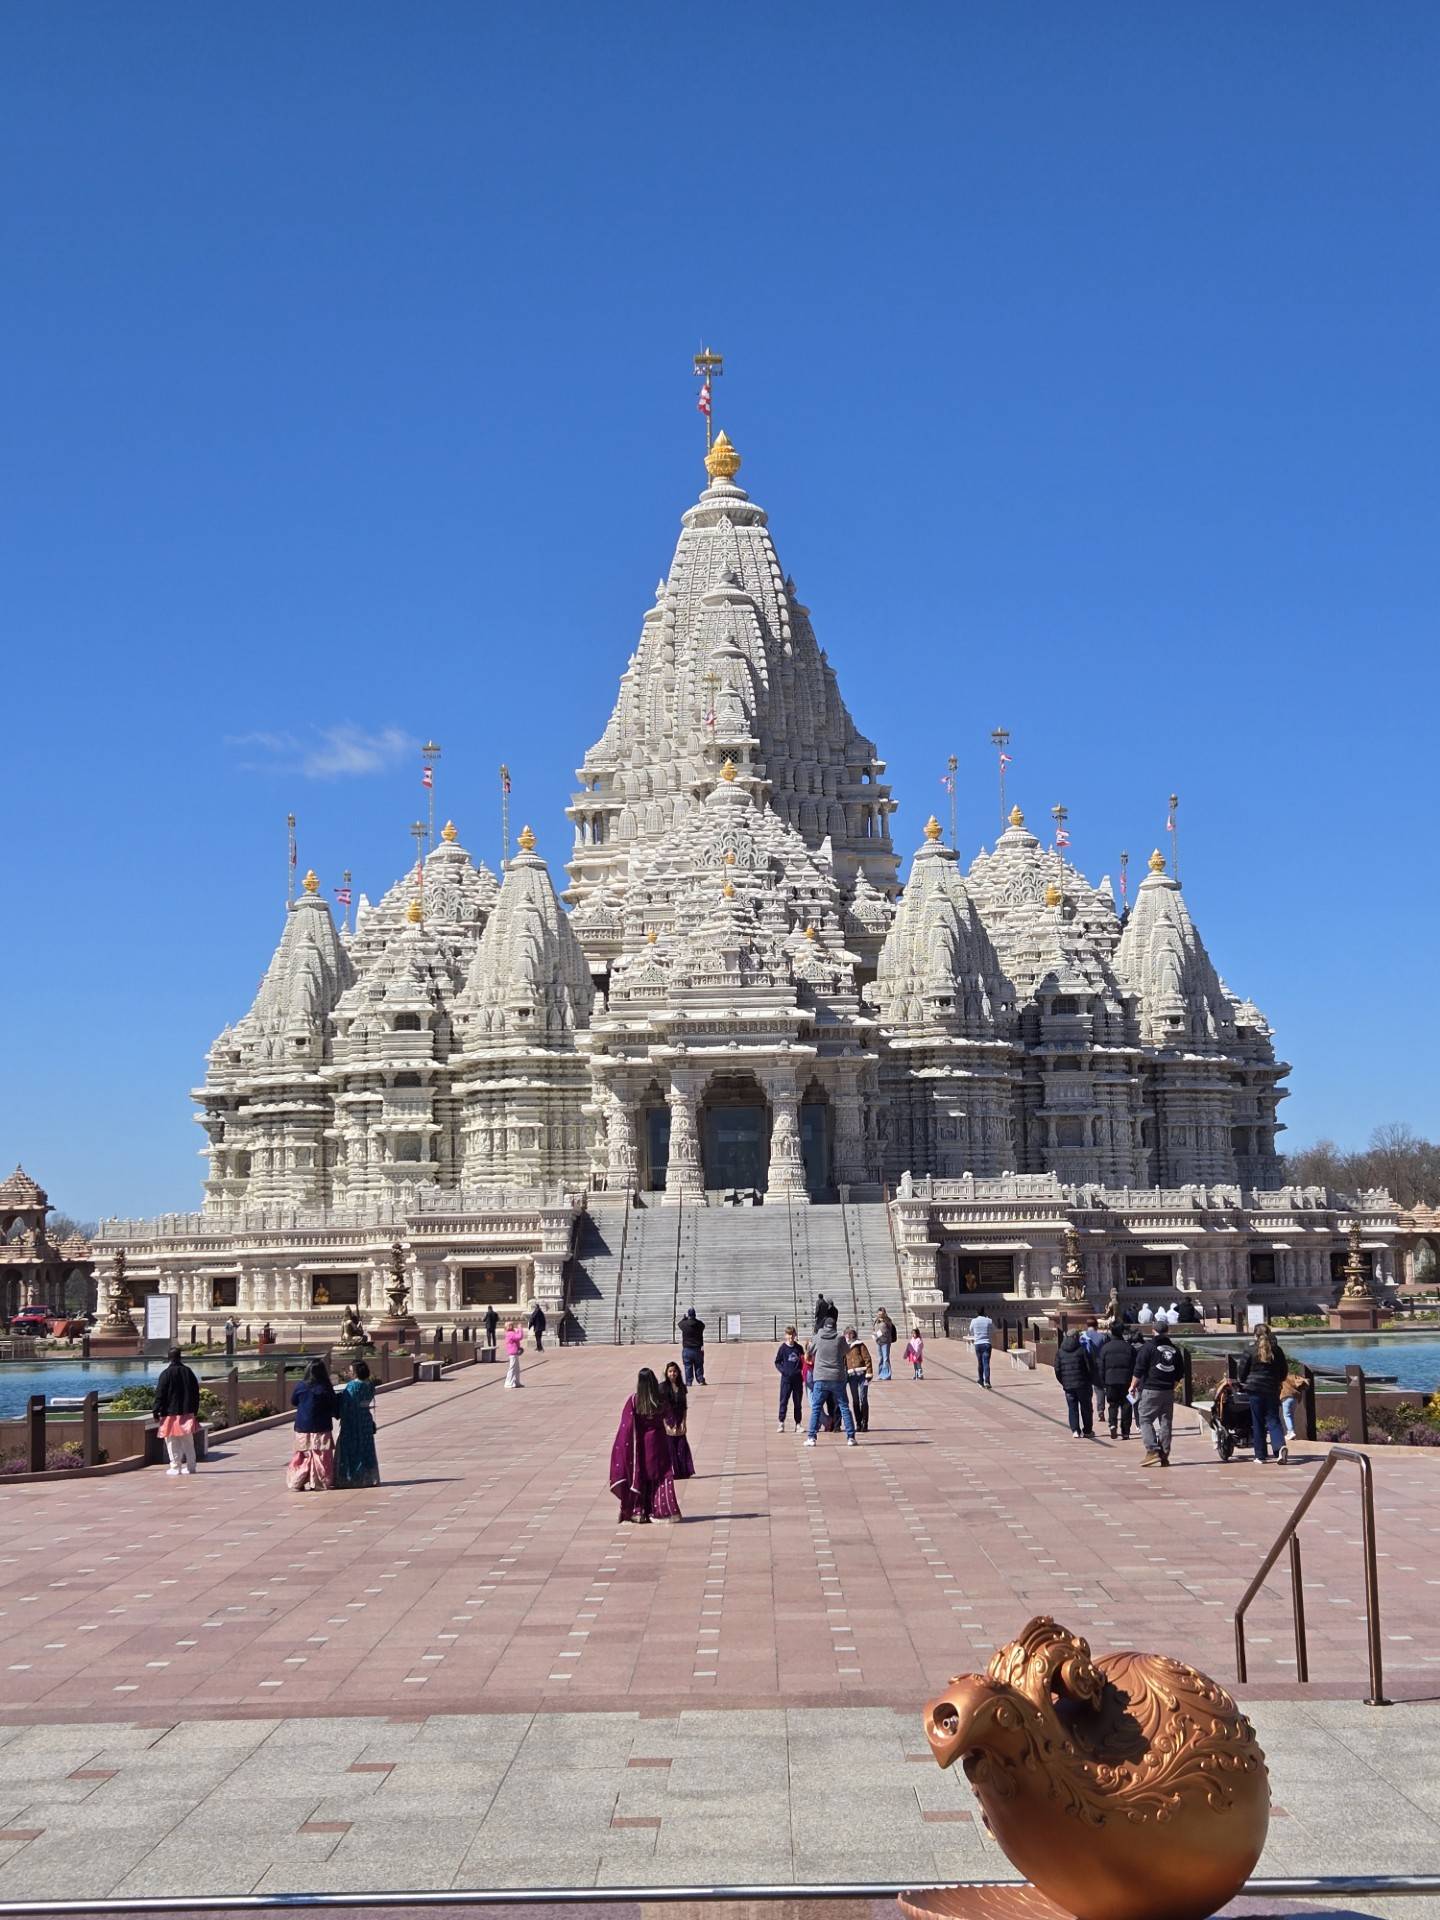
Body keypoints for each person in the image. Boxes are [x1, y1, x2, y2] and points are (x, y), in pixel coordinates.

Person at [610, 1367, 681, 1523]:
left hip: (641, 1444)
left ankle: (639, 1512)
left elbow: (626, 1426)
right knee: (660, 1474)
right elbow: (671, 1420)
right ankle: (662, 1510)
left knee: (641, 1474)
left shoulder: (634, 1401)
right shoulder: (661, 1399)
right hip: (659, 1441)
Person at [1132, 1324, 1185, 1467]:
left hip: (1151, 1388)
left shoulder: (1148, 1347)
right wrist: (1172, 1385)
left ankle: (1152, 1450)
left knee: (1145, 1419)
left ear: (1153, 1331)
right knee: (1166, 1422)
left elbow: (1139, 1369)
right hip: (1168, 1390)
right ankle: (1164, 1454)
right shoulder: (1175, 1349)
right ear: (1168, 1332)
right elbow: (1180, 1372)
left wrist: (1132, 1386)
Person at [1238, 1324, 1290, 1464]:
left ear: (1255, 1335)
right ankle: (1279, 1448)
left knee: (1258, 1421)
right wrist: (1277, 1380)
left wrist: (1243, 1382)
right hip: (1272, 1389)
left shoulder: (1250, 1350)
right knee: (1273, 1419)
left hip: (1254, 1390)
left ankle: (1260, 1455)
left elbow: (1242, 1372)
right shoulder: (1277, 1350)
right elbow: (1284, 1371)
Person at [287, 1358, 339, 1491]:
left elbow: (293, 1401)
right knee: (321, 1455)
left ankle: (297, 1480)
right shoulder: (325, 1387)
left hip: (303, 1425)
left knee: (303, 1455)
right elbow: (333, 1404)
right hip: (321, 1426)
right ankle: (319, 1481)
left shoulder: (301, 1385)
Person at [805, 1318, 857, 1446]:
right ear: (834, 1326)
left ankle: (811, 1437)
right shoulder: (839, 1338)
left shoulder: (817, 1338)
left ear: (824, 1326)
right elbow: (846, 1351)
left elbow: (809, 1352)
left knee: (816, 1407)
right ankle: (850, 1437)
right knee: (844, 1406)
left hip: (821, 1377)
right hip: (837, 1377)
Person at [152, 1345, 201, 1476]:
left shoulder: (166, 1374)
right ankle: (191, 1466)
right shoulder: (188, 1372)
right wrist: (195, 1410)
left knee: (172, 1441)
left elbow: (160, 1394)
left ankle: (175, 1466)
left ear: (169, 1358)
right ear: (180, 1357)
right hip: (187, 1412)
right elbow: (196, 1393)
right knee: (188, 1441)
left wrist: (156, 1410)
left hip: (169, 1413)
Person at [335, 1359, 380, 1488]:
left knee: (352, 1449)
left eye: (350, 1371)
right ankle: (369, 1477)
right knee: (366, 1448)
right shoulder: (370, 1384)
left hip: (352, 1421)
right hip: (365, 1418)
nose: (349, 1373)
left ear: (355, 1372)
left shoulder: (353, 1386)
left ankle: (352, 1477)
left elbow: (346, 1404)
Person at [1097, 1322, 1137, 1438]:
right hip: (1126, 1381)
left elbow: (1101, 1367)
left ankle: (1112, 1424)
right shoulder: (1129, 1348)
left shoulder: (1105, 1348)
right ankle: (1125, 1431)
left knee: (1112, 1404)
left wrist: (1103, 1381)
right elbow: (1135, 1366)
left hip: (1110, 1381)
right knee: (1127, 1405)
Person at [1053, 1330, 1095, 1438]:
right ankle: (1087, 1430)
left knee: (1072, 1408)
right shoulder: (1082, 1350)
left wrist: (1064, 1382)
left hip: (1068, 1386)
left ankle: (1075, 1430)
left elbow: (1057, 1370)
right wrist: (1090, 1380)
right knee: (1086, 1407)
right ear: (1076, 1337)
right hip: (1083, 1385)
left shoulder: (1060, 1352)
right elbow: (1089, 1368)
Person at [660, 1361, 695, 1478]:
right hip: (668, 1420)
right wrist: (665, 1424)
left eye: (674, 1371)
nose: (672, 1374)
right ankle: (671, 1472)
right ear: (666, 1373)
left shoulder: (682, 1387)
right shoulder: (662, 1387)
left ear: (678, 1373)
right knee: (670, 1447)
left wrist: (684, 1422)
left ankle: (683, 1471)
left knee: (681, 1446)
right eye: (670, 1371)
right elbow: (662, 1408)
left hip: (679, 1419)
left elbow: (684, 1406)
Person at [843, 1326, 874, 1433]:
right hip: (851, 1376)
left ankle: (865, 1423)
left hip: (862, 1375)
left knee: (863, 1398)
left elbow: (867, 1358)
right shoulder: (844, 1347)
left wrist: (869, 1373)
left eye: (850, 1333)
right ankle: (858, 1423)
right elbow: (843, 1361)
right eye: (847, 1334)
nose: (848, 1335)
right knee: (855, 1400)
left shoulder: (860, 1345)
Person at [775, 1326, 805, 1432]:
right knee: (783, 1401)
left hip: (797, 1379)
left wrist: (800, 1371)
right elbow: (777, 1362)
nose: (791, 1337)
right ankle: (781, 1422)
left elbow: (803, 1361)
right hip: (786, 1380)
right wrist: (783, 1371)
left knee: (797, 1402)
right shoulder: (782, 1348)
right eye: (789, 1334)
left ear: (795, 1335)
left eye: (792, 1334)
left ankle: (798, 1424)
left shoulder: (799, 1348)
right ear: (785, 1336)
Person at [1078, 1317, 1107, 1422]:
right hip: (1098, 1366)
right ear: (1096, 1326)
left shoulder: (1082, 1336)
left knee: (1086, 1391)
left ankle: (1088, 1411)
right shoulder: (1102, 1337)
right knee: (1099, 1390)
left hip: (1084, 1367)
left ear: (1087, 1325)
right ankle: (1100, 1411)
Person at [678, 1308, 707, 1387]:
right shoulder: (700, 1324)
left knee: (688, 1366)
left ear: (688, 1315)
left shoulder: (684, 1324)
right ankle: (700, 1379)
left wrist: (684, 1319)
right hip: (698, 1348)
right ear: (695, 1314)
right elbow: (703, 1326)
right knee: (699, 1365)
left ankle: (689, 1382)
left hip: (687, 1349)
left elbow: (679, 1324)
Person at [968, 1311, 995, 1389]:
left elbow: (971, 1330)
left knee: (980, 1363)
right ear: (984, 1313)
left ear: (977, 1313)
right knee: (986, 1363)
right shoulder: (989, 1320)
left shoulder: (974, 1321)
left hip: (978, 1344)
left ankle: (981, 1380)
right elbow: (993, 1330)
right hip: (987, 1344)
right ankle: (987, 1381)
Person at [1279, 1368, 1306, 1443]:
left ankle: (1290, 1432)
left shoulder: (1284, 1377)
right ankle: (1291, 1432)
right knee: (1291, 1415)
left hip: (1286, 1396)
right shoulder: (1295, 1377)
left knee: (1286, 1415)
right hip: (1296, 1398)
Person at [873, 1308, 896, 1381]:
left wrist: (884, 1321)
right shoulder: (876, 1320)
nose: (880, 1315)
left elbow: (888, 1329)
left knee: (885, 1358)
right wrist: (874, 1334)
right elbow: (874, 1329)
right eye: (879, 1314)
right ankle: (880, 1374)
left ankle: (887, 1375)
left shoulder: (888, 1320)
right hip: (878, 1341)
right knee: (880, 1358)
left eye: (882, 1314)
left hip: (885, 1341)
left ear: (885, 1313)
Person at [503, 1319, 524, 1388]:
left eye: (512, 1325)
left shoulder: (511, 1333)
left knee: (516, 1368)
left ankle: (516, 1382)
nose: (512, 1326)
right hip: (513, 1353)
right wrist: (520, 1329)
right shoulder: (510, 1334)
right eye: (510, 1325)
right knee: (512, 1368)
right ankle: (508, 1382)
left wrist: (518, 1330)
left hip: (514, 1352)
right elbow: (519, 1337)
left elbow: (516, 1335)